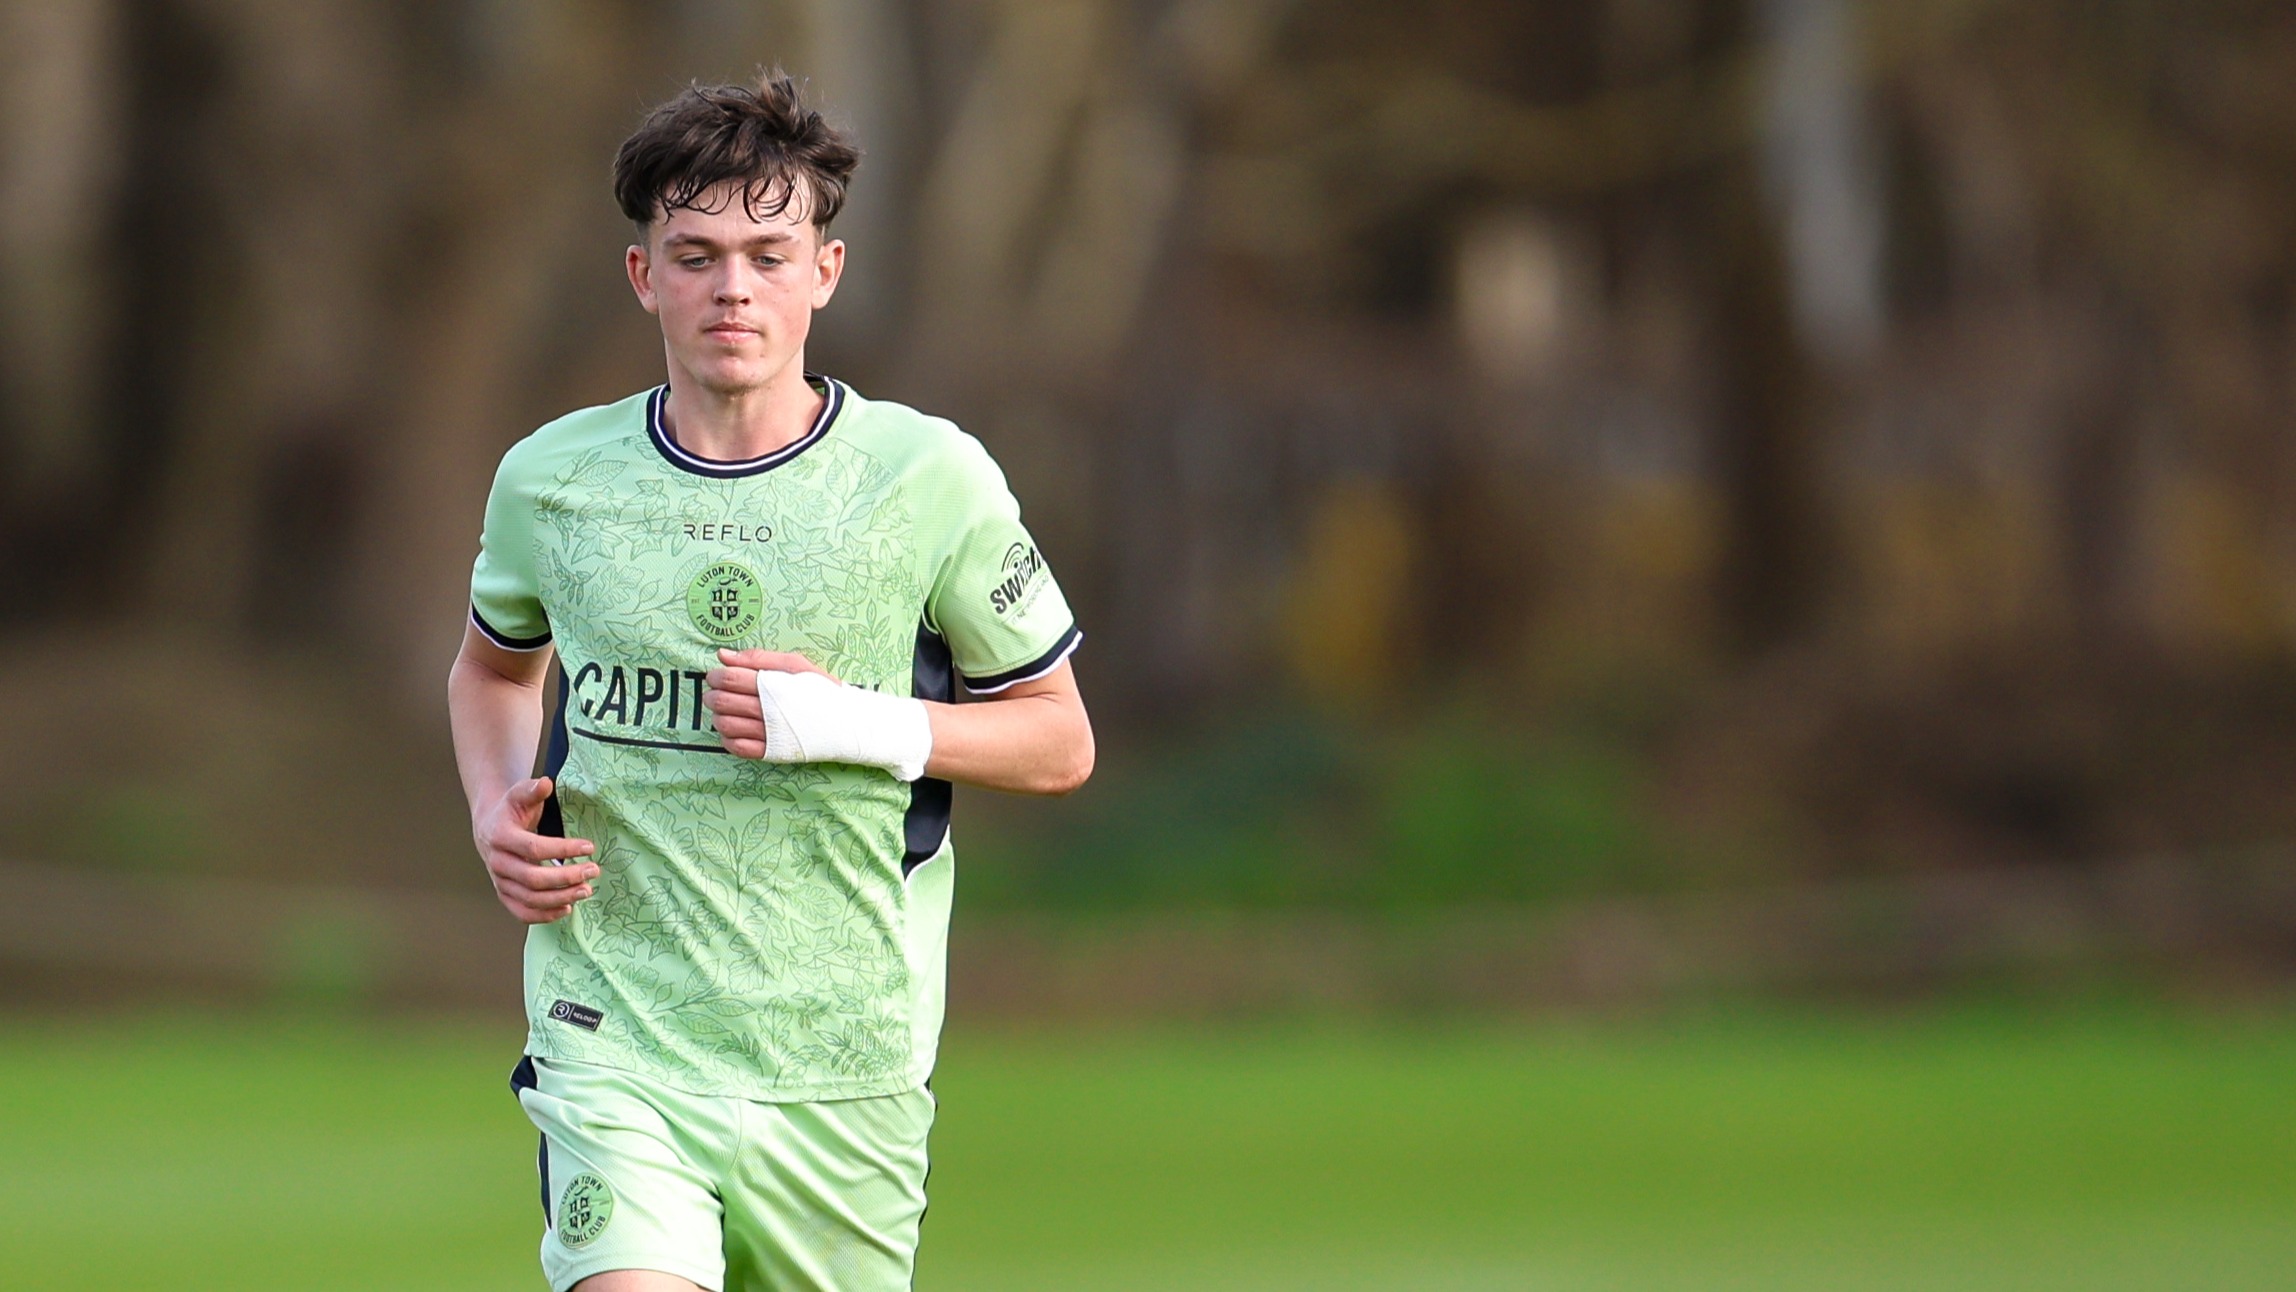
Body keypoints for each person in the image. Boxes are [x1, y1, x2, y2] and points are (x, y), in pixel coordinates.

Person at [446, 71, 1093, 1292]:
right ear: (645, 276)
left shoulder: (928, 480)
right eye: (693, 254)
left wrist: (855, 723)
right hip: (616, 1037)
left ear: (823, 272)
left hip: (841, 1062)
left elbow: (1059, 742)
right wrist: (493, 803)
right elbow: (491, 667)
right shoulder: (550, 481)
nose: (731, 286)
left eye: (765, 251)